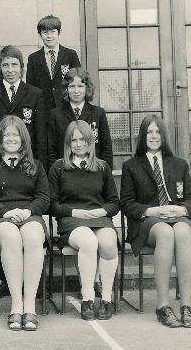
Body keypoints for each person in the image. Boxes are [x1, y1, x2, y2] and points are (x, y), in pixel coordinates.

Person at [120, 115, 191, 328]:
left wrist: (181, 208)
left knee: (182, 231)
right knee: (165, 232)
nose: (153, 136)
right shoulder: (131, 166)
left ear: (163, 136)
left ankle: (186, 306)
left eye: (157, 132)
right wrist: (151, 210)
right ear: (142, 136)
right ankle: (163, 306)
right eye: (149, 132)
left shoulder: (179, 165)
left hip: (176, 216)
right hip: (148, 222)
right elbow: (127, 204)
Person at [0, 116, 49, 331]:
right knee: (11, 236)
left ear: (23, 138)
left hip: (29, 215)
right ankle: (16, 306)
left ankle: (30, 307)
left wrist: (28, 211)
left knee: (34, 235)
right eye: (6, 134)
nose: (11, 138)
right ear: (0, 138)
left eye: (15, 134)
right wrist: (6, 212)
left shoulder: (35, 165)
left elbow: (44, 197)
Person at [48, 120, 119, 321]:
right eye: (74, 140)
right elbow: (52, 205)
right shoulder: (58, 168)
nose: (78, 144)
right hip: (71, 221)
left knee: (108, 242)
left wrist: (101, 211)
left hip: (99, 219)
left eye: (82, 139)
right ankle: (87, 298)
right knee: (88, 241)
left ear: (90, 141)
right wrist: (74, 213)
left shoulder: (102, 167)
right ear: (68, 143)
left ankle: (106, 299)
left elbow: (114, 202)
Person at [0, 45, 47, 167]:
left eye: (14, 64)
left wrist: (37, 166)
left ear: (21, 67)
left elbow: (40, 137)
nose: (10, 70)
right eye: (5, 65)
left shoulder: (35, 94)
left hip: (26, 163)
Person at [48, 67, 113, 169]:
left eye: (80, 86)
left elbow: (106, 149)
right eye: (72, 86)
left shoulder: (98, 113)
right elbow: (52, 151)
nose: (76, 91)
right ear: (66, 89)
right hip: (65, 173)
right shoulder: (56, 114)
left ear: (87, 88)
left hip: (93, 173)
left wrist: (105, 176)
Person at [26, 15, 81, 115]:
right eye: (45, 32)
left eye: (52, 32)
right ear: (40, 34)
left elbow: (79, 82)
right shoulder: (33, 59)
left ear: (59, 32)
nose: (49, 36)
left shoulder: (70, 55)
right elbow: (30, 88)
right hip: (43, 112)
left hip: (66, 109)